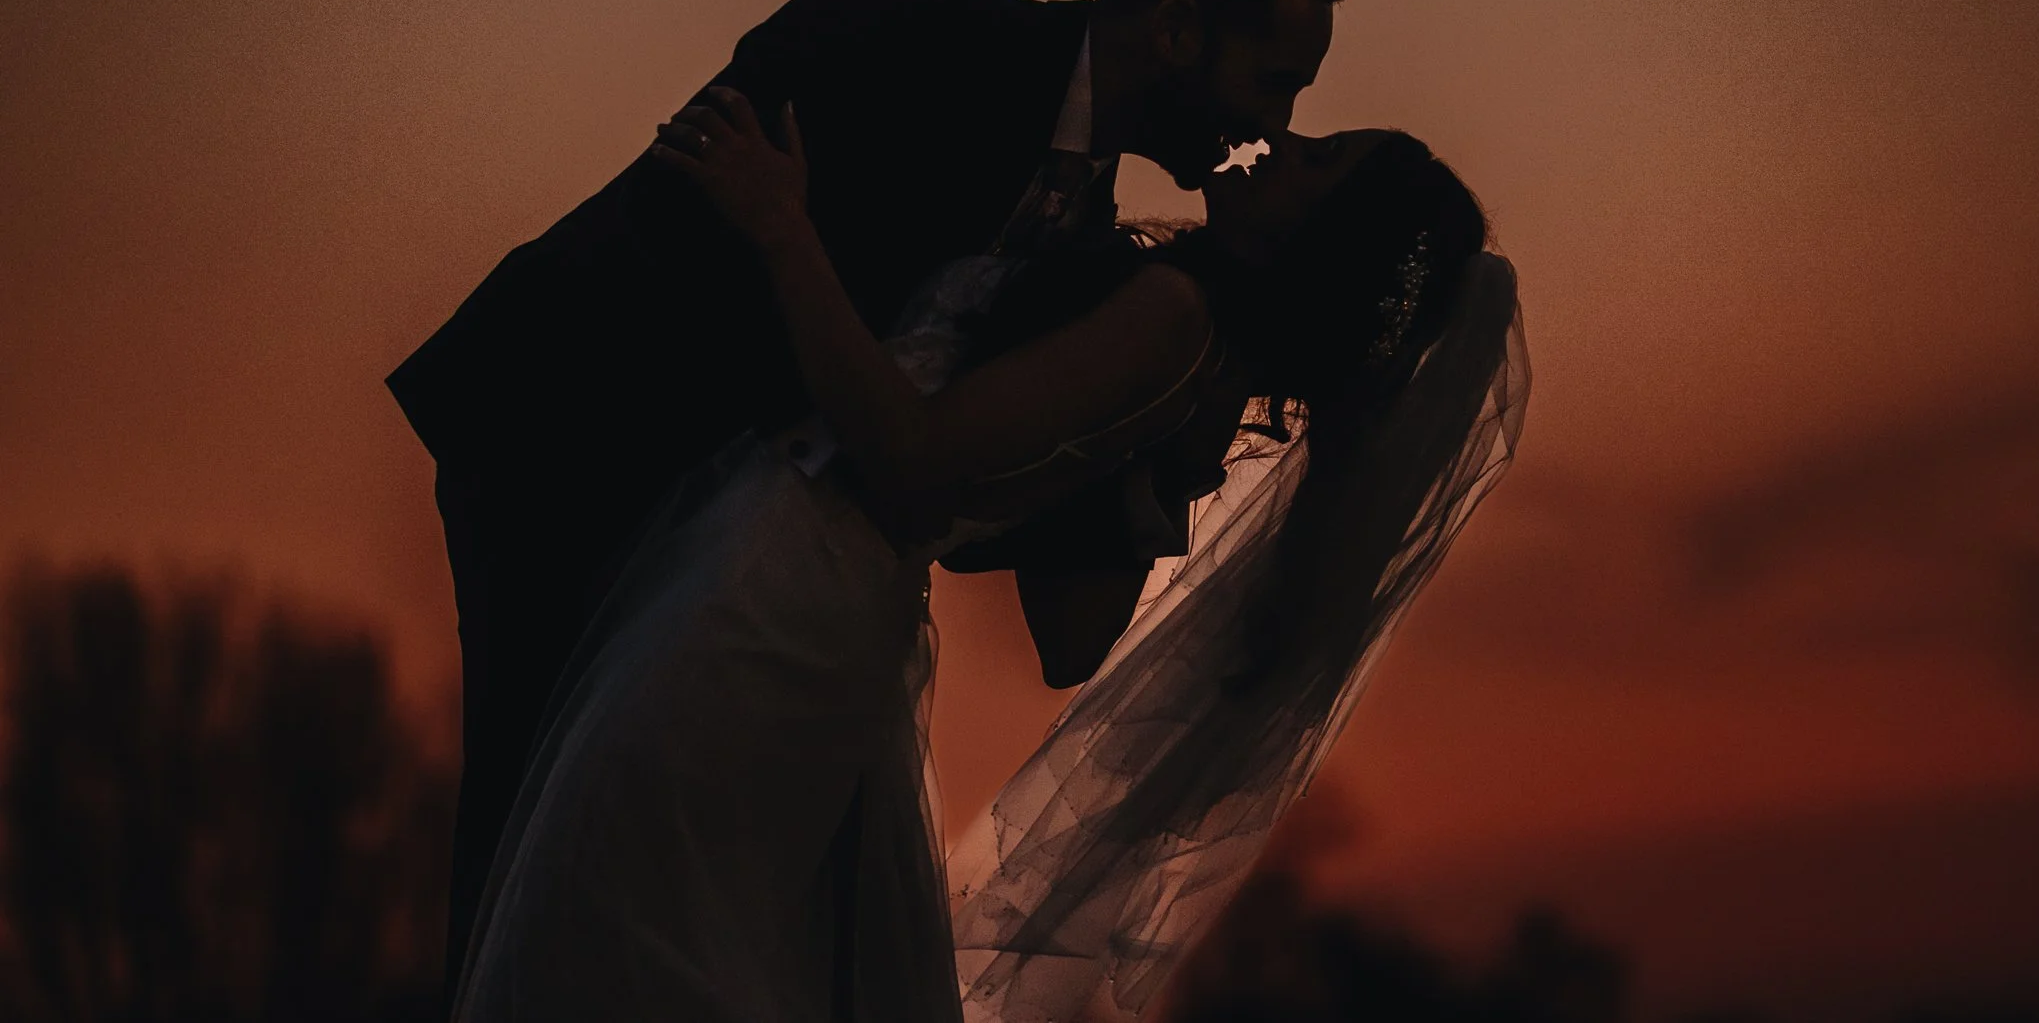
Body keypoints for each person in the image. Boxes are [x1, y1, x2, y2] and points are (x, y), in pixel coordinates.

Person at [383, 0, 1352, 982]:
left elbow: (974, 501)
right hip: (579, 442)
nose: (1272, 129)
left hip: (771, 572)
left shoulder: (1087, 248)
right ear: (1177, 29)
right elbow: (709, 194)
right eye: (1273, 82)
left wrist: (1140, 463)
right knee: (536, 834)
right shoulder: (925, 17)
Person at [450, 103, 1528, 1022]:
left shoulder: (1172, 317)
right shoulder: (1179, 334)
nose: (1278, 141)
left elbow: (911, 463)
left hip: (775, 601)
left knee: (616, 930)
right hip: (824, 615)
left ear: (1325, 245)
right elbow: (1068, 630)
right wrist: (1117, 476)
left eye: (1317, 160)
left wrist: (782, 228)